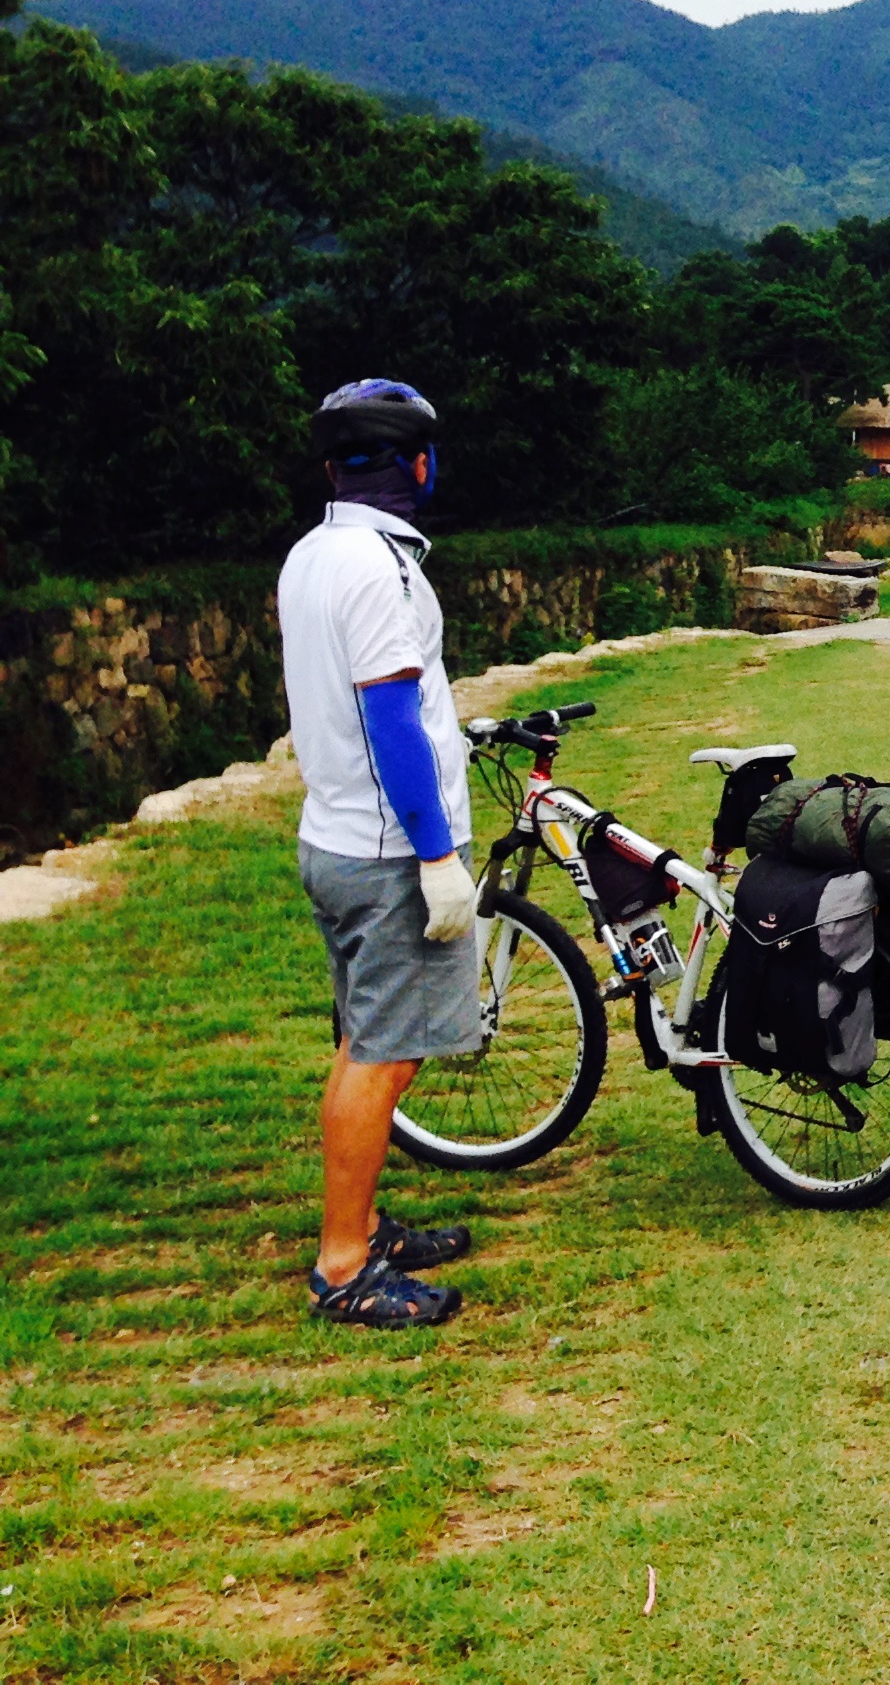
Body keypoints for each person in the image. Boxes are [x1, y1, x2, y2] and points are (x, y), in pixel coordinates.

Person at [277, 379, 480, 1328]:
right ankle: (344, 1264)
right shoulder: (381, 570)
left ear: (334, 470)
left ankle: (360, 1225)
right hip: (390, 850)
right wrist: (437, 857)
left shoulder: (313, 555)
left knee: (368, 1041)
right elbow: (392, 720)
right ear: (422, 466)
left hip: (336, 835)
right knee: (385, 1059)